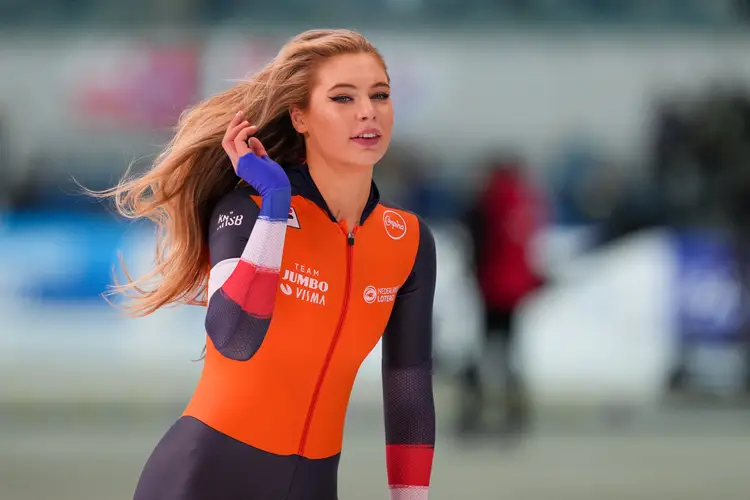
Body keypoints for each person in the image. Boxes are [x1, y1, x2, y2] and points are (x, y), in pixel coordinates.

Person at [94, 29, 436, 500]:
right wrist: (276, 203)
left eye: (380, 95)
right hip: (204, 479)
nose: (367, 111)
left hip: (313, 485)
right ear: (300, 117)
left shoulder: (407, 240)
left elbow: (408, 384)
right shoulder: (250, 209)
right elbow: (234, 336)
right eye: (343, 97)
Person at [458, 156, 545, 438]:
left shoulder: (490, 201)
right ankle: (513, 409)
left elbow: (479, 240)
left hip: (491, 284)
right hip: (514, 288)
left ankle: (477, 409)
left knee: (484, 347)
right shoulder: (525, 202)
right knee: (508, 348)